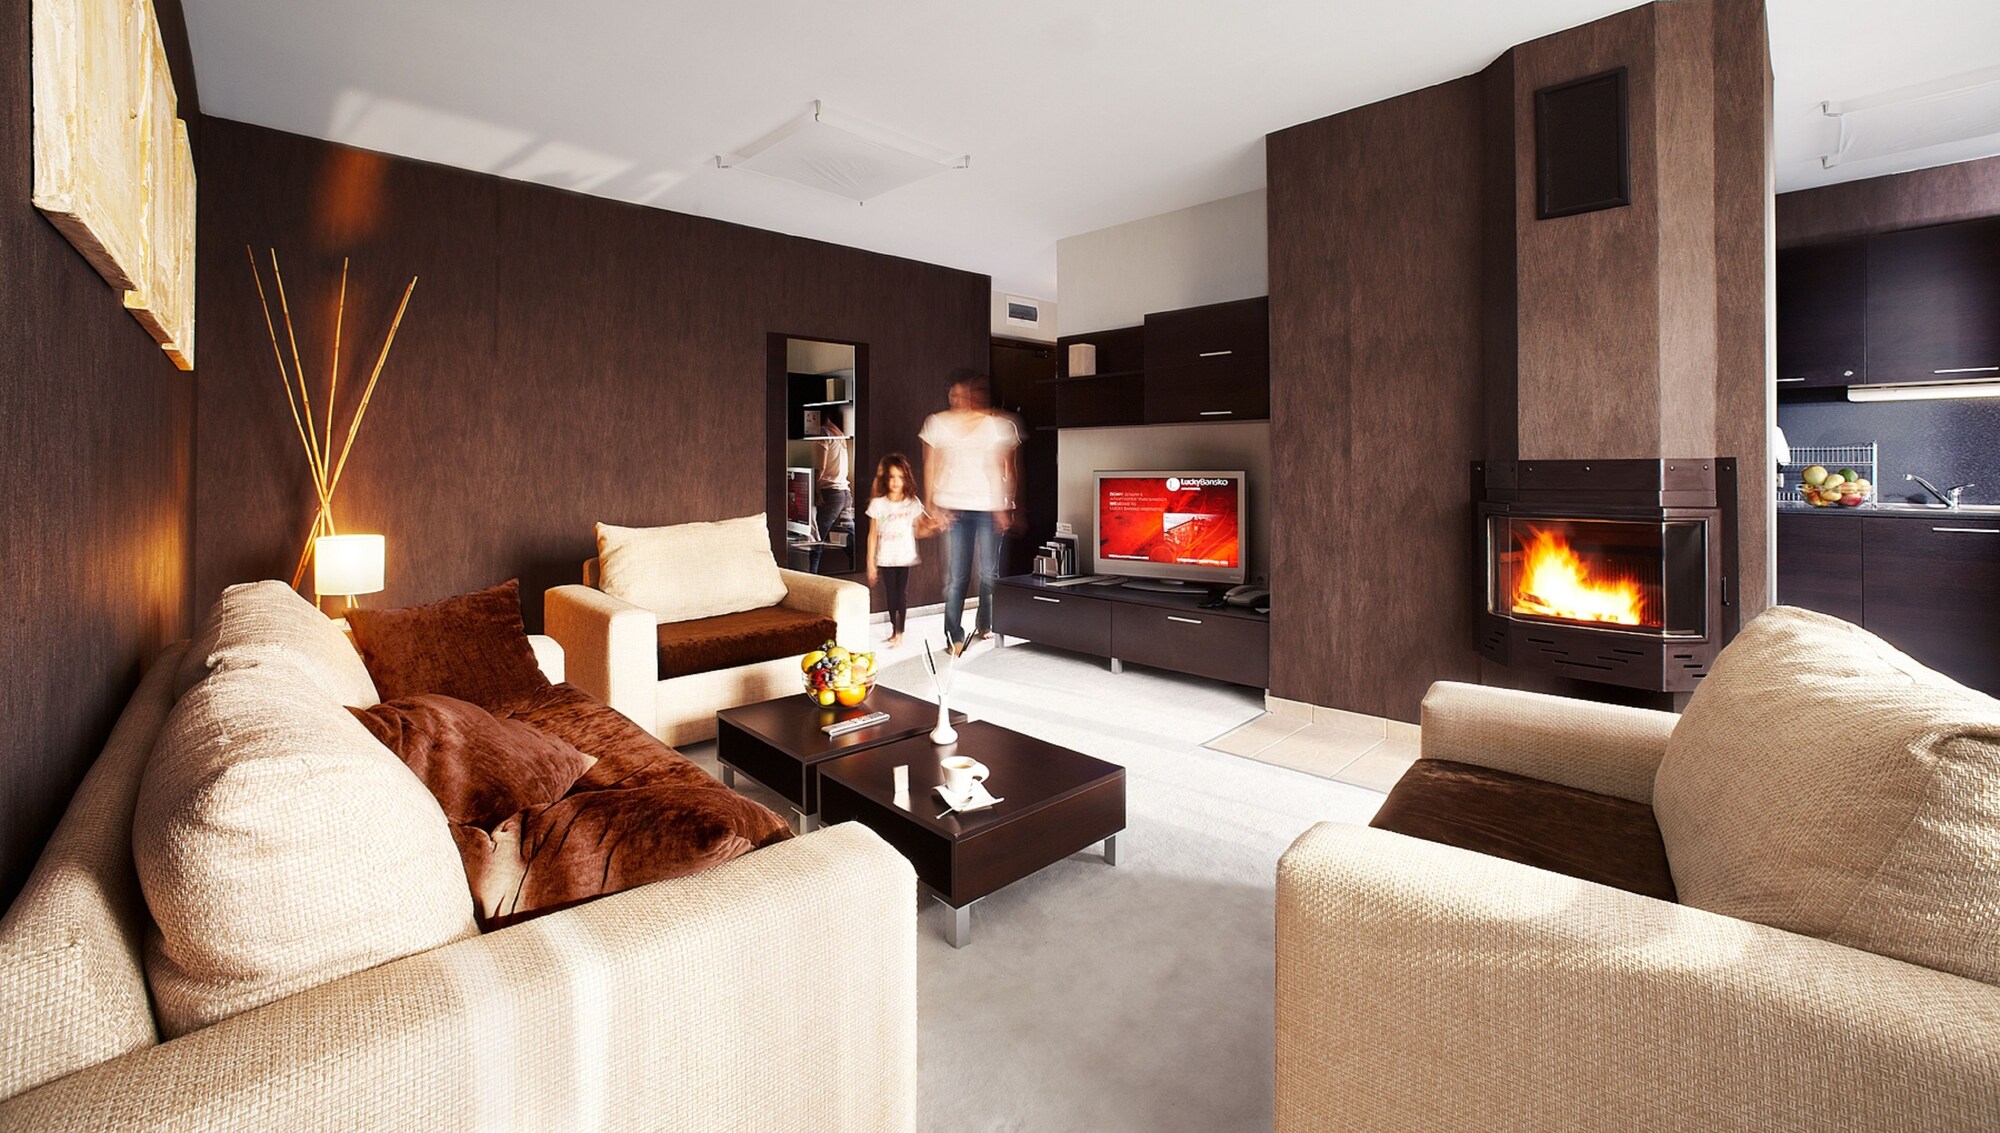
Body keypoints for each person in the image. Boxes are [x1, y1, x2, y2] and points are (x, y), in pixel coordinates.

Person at [920, 374, 1020, 653]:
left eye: (965, 394)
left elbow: (1007, 469)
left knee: (989, 574)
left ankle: (986, 622)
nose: (960, 400)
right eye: (954, 395)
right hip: (953, 508)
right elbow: (930, 465)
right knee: (957, 577)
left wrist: (1006, 506)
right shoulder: (937, 423)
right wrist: (931, 505)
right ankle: (954, 635)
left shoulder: (997, 426)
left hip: (989, 508)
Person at [865, 452, 925, 647]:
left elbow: (922, 527)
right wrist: (870, 564)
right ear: (886, 478)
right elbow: (872, 536)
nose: (896, 482)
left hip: (904, 556)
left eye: (900, 477)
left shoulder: (912, 503)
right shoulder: (878, 504)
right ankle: (894, 629)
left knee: (902, 595)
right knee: (891, 596)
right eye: (892, 477)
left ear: (906, 478)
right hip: (886, 557)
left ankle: (900, 631)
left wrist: (938, 523)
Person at [809, 406, 852, 574]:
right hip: (845, 493)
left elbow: (821, 467)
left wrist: (814, 487)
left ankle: (811, 579)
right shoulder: (838, 433)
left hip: (831, 493)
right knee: (849, 538)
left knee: (816, 541)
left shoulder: (823, 433)